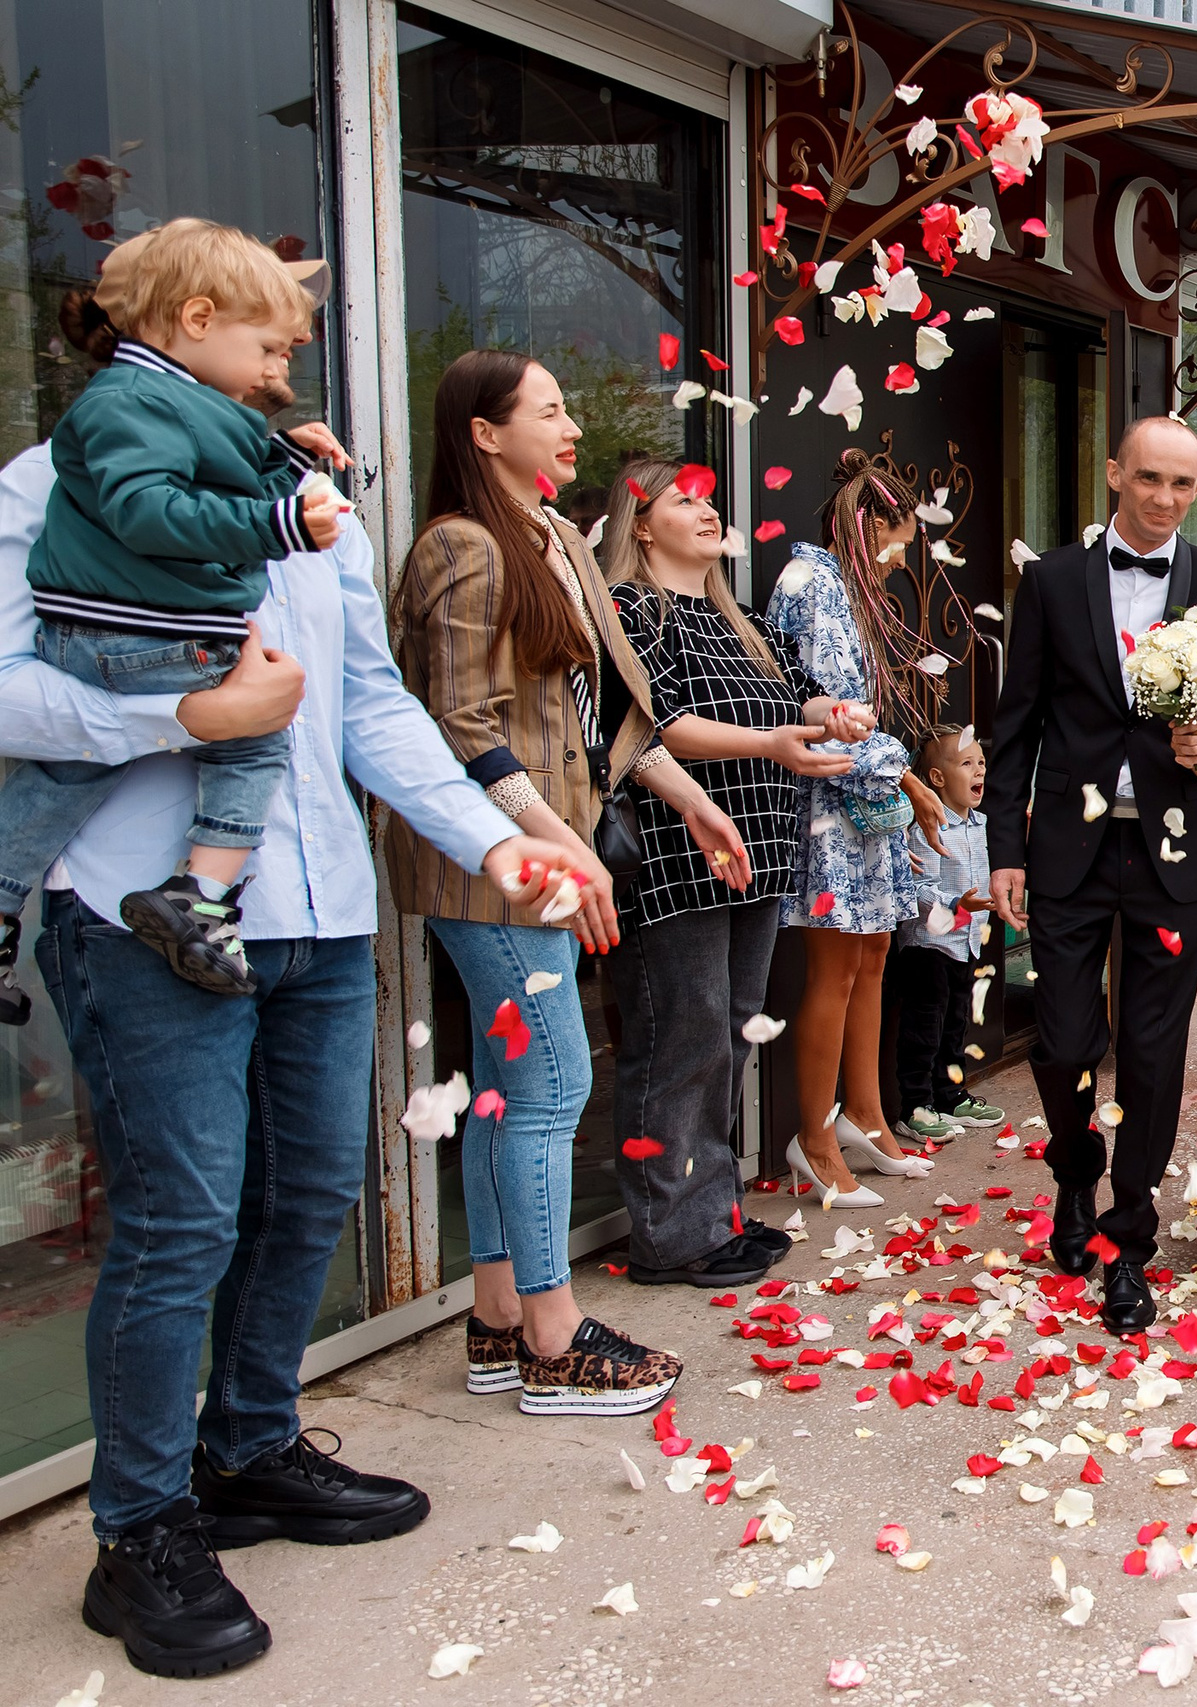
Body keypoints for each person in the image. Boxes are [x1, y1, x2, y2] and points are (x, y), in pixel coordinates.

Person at [0, 330, 588, 1679]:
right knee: (179, 1219)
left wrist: (494, 834)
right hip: (152, 910)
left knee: (313, 1190)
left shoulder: (308, 497)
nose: (284, 351)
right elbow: (8, 687)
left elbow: (369, 704)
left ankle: (252, 1447)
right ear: (174, 327)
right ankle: (139, 1525)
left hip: (321, 917)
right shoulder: (51, 482)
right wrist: (190, 722)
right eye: (259, 328)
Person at [391, 350, 726, 1416]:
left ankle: (498, 1320)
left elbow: (597, 719)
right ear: (485, 433)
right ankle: (548, 1335)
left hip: (539, 852)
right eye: (548, 408)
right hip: (486, 864)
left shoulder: (551, 539)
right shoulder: (461, 545)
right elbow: (459, 726)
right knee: (548, 1089)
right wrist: (553, 845)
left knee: (507, 1091)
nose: (571, 422)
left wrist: (690, 800)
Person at [0, 221, 351, 1017]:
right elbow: (153, 508)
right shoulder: (130, 407)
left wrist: (284, 462)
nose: (283, 359)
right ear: (197, 320)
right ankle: (201, 894)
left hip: (317, 916)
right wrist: (281, 525)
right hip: (129, 642)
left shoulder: (175, 406)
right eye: (267, 344)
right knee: (256, 735)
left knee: (68, 773)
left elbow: (220, 472)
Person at [985, 415, 1197, 1335]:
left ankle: (1127, 1238)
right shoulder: (1053, 581)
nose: (1166, 499)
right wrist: (1005, 851)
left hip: (1172, 849)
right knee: (1061, 1042)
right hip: (1067, 845)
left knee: (1151, 1052)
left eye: (1183, 484)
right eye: (1149, 479)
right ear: (1112, 473)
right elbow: (1013, 724)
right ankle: (1073, 1176)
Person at [600, 455, 870, 1279]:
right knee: (681, 1041)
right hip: (676, 854)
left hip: (755, 849)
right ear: (641, 523)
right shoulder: (628, 610)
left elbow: (794, 700)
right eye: (686, 501)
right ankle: (671, 1238)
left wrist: (832, 713)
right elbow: (656, 724)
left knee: (728, 1035)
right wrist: (772, 741)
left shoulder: (738, 617)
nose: (708, 511)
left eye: (711, 500)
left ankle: (710, 1214)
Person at [767, 450, 953, 1195]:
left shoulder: (846, 591)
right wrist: (909, 776)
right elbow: (828, 713)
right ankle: (813, 1135)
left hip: (860, 798)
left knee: (873, 950)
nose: (901, 554)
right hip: (825, 800)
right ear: (869, 522)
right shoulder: (811, 583)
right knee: (836, 964)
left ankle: (868, 1115)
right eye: (899, 537)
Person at [888, 724, 999, 1142]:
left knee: (955, 1024)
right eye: (967, 763)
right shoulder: (928, 825)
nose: (979, 771)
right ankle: (915, 1105)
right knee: (924, 1027)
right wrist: (957, 904)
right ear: (936, 777)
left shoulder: (980, 824)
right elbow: (914, 887)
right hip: (929, 944)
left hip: (966, 941)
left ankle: (950, 1096)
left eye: (982, 763)